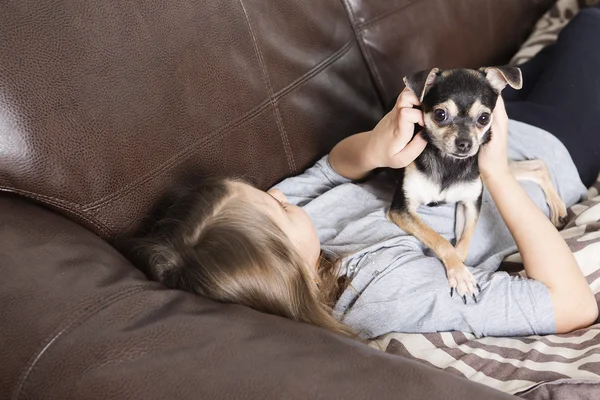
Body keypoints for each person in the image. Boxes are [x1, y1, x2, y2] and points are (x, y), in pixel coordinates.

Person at [129, 7, 600, 339]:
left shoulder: (300, 221)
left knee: (578, 27)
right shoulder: (382, 297)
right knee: (591, 26)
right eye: (277, 206)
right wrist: (494, 170)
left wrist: (377, 145)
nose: (281, 195)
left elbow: (332, 167)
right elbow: (573, 307)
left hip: (471, 107)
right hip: (547, 150)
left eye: (266, 192)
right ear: (283, 268)